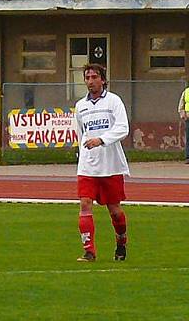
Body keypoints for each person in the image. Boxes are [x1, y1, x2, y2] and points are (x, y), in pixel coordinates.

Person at [74, 63, 129, 263]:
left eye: (94, 77)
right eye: (87, 77)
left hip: (111, 165)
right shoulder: (81, 106)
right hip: (88, 165)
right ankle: (89, 252)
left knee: (115, 211)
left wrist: (102, 140)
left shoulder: (114, 101)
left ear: (103, 80)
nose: (90, 81)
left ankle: (121, 241)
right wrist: (83, 154)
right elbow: (81, 134)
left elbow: (123, 128)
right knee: (85, 204)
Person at [178, 85, 189, 163]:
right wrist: (183, 115)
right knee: (188, 137)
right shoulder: (186, 92)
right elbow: (181, 105)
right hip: (188, 118)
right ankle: (188, 157)